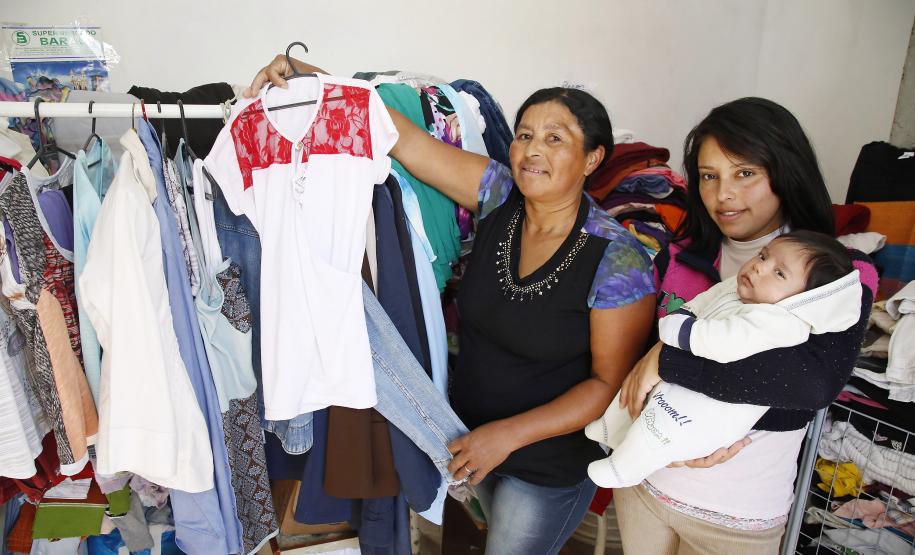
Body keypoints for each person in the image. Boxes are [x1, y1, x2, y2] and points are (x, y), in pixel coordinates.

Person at [247, 57, 656, 554]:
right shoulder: (499, 195)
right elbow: (402, 136)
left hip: (548, 465)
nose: (532, 151)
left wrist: (503, 437)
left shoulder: (617, 257)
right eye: (524, 135)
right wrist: (306, 74)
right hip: (466, 435)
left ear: (592, 158)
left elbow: (608, 385)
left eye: (555, 139)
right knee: (461, 542)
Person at [614, 97, 878, 554]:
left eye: (745, 173)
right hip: (644, 485)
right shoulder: (678, 257)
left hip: (736, 515)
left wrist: (670, 360)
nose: (723, 195)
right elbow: (631, 361)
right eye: (709, 176)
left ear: (785, 172)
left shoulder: (838, 276)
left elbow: (808, 385)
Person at [586, 230, 862, 488]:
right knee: (638, 405)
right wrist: (681, 323)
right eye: (763, 256)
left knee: (659, 435)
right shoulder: (731, 285)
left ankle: (622, 469)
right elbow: (701, 303)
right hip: (662, 469)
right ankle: (609, 431)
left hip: (728, 467)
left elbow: (722, 344)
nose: (758, 267)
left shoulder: (780, 321)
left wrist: (672, 340)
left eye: (778, 273)